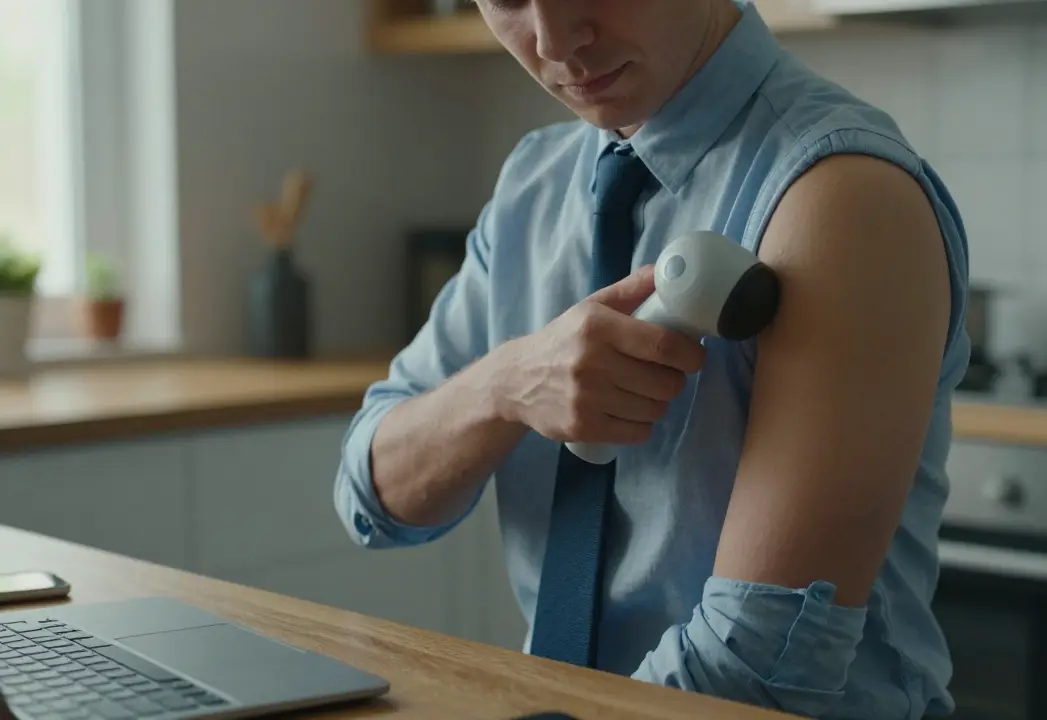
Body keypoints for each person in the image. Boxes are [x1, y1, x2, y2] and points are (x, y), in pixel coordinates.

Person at [334, 0, 970, 717]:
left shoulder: (843, 196)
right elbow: (371, 498)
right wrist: (505, 385)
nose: (555, 41)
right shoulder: (533, 183)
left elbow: (759, 663)